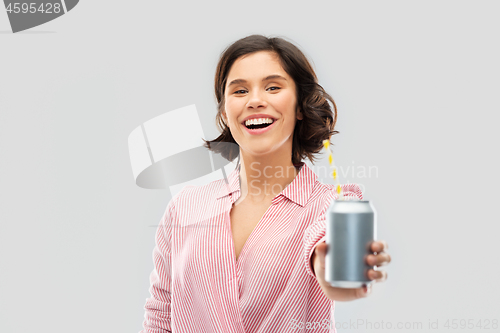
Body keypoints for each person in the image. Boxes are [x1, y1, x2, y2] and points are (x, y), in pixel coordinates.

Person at [140, 34, 391, 333]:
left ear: (300, 106)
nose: (255, 100)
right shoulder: (186, 208)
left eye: (273, 87)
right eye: (240, 90)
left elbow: (330, 257)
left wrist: (336, 272)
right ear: (224, 112)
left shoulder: (329, 208)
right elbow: (160, 316)